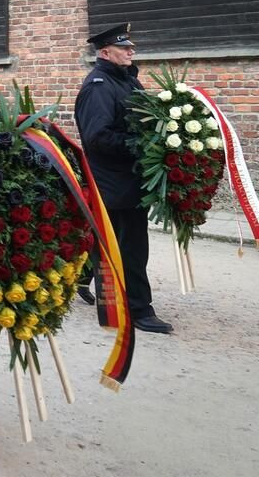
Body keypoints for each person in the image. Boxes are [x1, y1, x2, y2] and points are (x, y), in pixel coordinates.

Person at [74, 23, 173, 334]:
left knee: (112, 240)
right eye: (124, 47)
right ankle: (139, 310)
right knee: (131, 247)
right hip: (112, 183)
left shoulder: (127, 81)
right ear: (105, 52)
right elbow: (97, 137)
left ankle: (79, 276)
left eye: (131, 46)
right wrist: (142, 146)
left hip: (130, 178)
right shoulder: (100, 86)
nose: (132, 50)